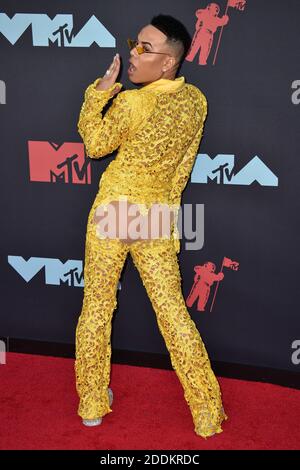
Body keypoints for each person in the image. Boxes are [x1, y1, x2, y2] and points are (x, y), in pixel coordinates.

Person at [74, 14, 228, 438]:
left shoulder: (133, 101)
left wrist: (97, 94)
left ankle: (91, 404)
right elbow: (182, 169)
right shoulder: (195, 102)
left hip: (112, 213)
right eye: (134, 43)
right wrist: (167, 215)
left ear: (167, 63)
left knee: (97, 308)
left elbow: (94, 144)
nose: (132, 54)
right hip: (156, 216)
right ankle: (207, 411)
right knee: (174, 314)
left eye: (144, 48)